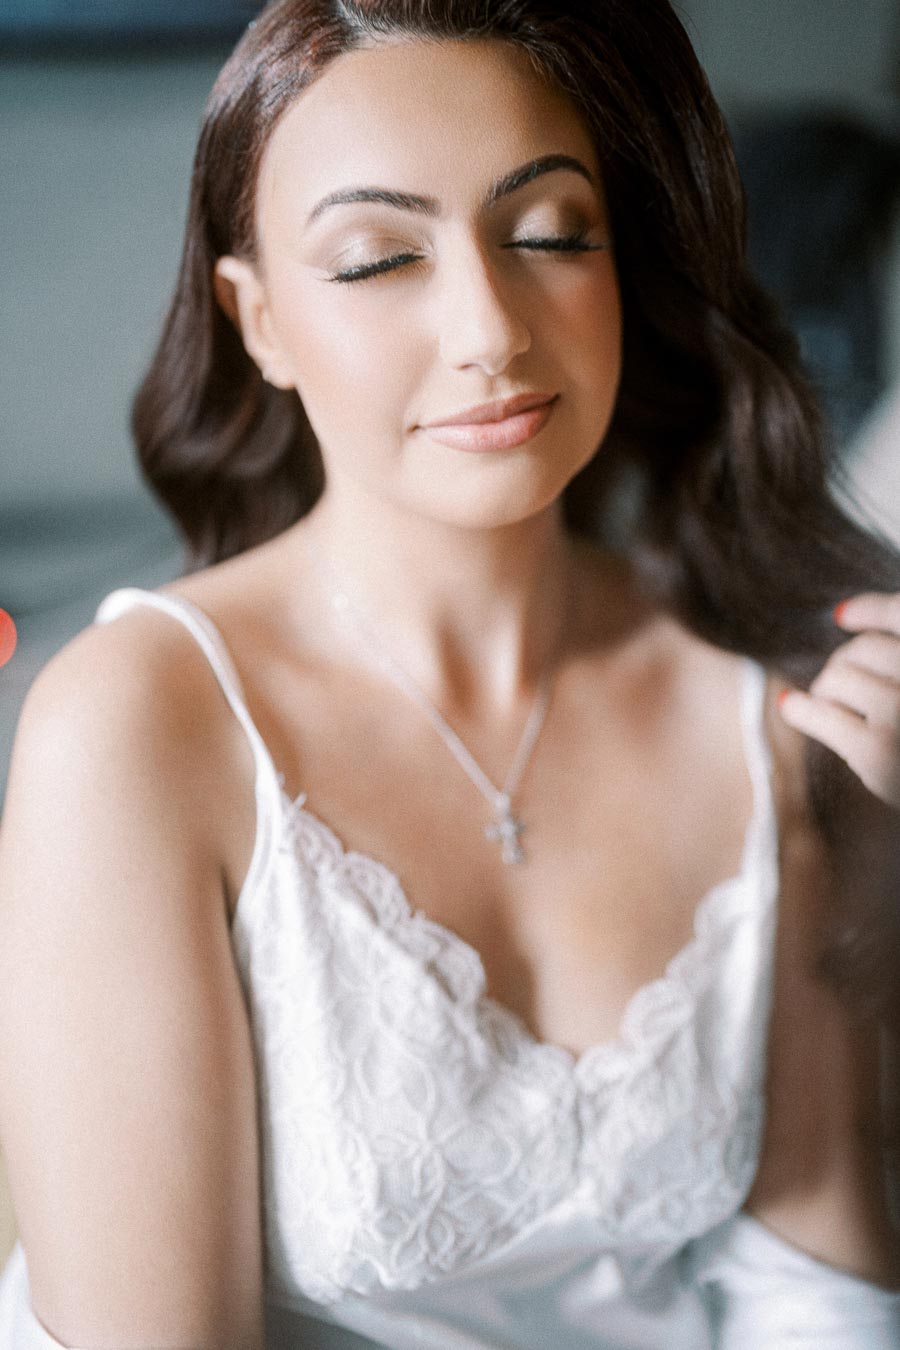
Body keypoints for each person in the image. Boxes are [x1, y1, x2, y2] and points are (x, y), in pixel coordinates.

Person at [0, 1, 899, 1345]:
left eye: (548, 235)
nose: (489, 326)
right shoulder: (140, 727)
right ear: (262, 323)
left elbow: (813, 1292)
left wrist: (876, 876)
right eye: (375, 261)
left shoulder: (761, 699)